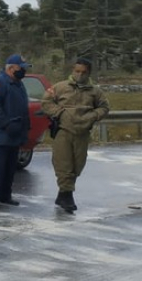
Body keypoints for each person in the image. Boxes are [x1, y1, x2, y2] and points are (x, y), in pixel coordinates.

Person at [40, 57, 110, 212]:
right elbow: (46, 102)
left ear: (88, 73)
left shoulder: (95, 91)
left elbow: (104, 107)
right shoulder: (60, 87)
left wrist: (92, 116)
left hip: (83, 132)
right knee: (63, 163)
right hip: (64, 130)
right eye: (77, 71)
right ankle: (67, 195)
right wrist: (60, 113)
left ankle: (64, 192)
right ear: (73, 71)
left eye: (83, 72)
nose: (80, 75)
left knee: (78, 164)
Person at [0, 54, 31, 208]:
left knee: (10, 168)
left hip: (14, 134)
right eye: (21, 68)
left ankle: (5, 195)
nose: (24, 71)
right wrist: (5, 124)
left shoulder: (18, 84)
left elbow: (23, 108)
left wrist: (24, 129)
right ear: (11, 68)